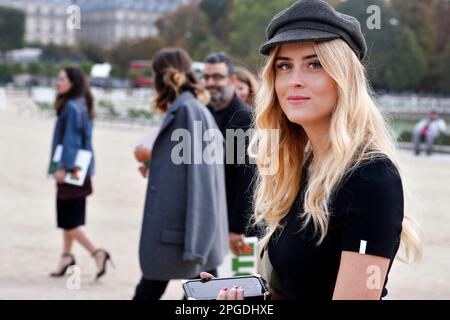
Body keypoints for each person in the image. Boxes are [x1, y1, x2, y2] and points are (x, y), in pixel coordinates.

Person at [201, 0, 422, 300]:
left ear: (344, 78)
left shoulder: (371, 178)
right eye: (284, 66)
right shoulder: (301, 167)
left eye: (314, 64)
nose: (294, 80)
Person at [132, 48, 229, 300]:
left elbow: (202, 180)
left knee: (155, 289)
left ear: (160, 77)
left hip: (185, 234)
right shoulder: (189, 108)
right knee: (200, 290)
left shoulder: (187, 111)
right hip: (185, 233)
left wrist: (197, 246)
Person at [49, 67, 112, 280]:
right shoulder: (83, 104)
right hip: (82, 170)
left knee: (69, 220)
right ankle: (66, 257)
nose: (58, 83)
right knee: (71, 216)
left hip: (71, 170)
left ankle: (98, 253)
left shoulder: (72, 107)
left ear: (73, 83)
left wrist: (62, 167)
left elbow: (71, 142)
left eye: (61, 79)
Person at [202, 52, 257, 254]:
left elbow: (246, 177)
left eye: (217, 77)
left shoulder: (242, 117)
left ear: (232, 80)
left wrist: (235, 228)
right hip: (208, 218)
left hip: (231, 226)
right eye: (206, 77)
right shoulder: (206, 111)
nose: (210, 83)